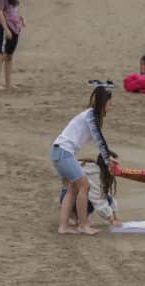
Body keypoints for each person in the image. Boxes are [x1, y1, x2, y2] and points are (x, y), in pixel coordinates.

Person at [50, 86, 117, 235]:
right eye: (109, 103)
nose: (111, 106)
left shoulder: (90, 116)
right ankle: (83, 224)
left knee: (73, 189)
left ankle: (64, 226)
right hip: (63, 152)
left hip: (58, 152)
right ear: (103, 103)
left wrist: (108, 157)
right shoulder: (91, 115)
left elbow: (100, 142)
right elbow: (100, 140)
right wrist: (108, 160)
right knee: (84, 186)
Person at [63, 154, 122, 228]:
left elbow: (109, 196)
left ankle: (76, 216)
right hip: (71, 198)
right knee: (97, 198)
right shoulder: (95, 175)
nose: (117, 167)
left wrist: (116, 216)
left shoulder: (98, 170)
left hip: (68, 196)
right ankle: (75, 217)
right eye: (115, 164)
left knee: (107, 197)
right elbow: (99, 201)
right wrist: (111, 220)